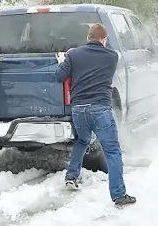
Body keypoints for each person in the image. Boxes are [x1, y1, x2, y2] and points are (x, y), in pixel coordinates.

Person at [55, 23, 136, 206]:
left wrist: (63, 61)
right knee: (112, 150)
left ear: (88, 38)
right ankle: (119, 195)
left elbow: (59, 76)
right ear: (104, 40)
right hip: (100, 109)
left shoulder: (73, 55)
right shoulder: (111, 56)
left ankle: (71, 177)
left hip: (79, 109)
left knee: (82, 141)